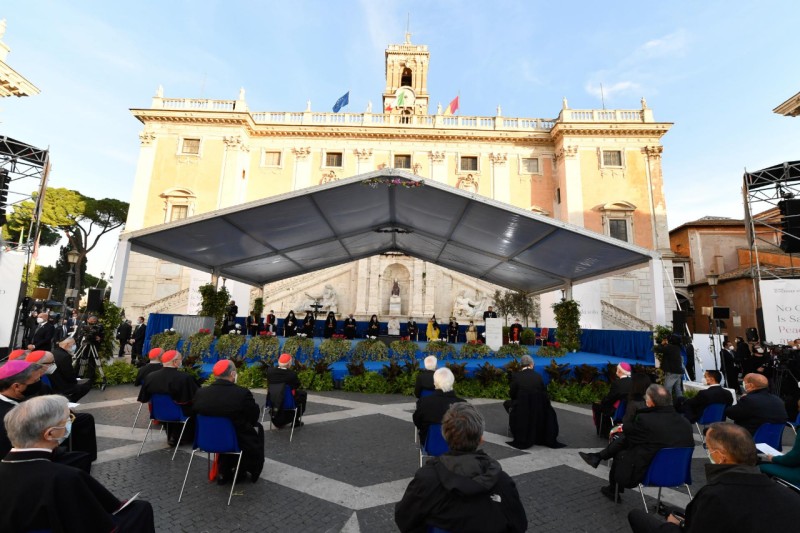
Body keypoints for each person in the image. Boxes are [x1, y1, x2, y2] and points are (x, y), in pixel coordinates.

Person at [0, 395, 156, 532]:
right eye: (68, 419)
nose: (70, 422)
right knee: (141, 508)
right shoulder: (65, 477)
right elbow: (94, 524)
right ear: (50, 433)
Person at [628, 422, 800, 532]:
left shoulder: (715, 495)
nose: (707, 451)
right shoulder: (790, 495)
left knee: (637, 516)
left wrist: (675, 525)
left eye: (707, 447)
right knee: (673, 511)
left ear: (720, 456)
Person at [396, 403, 527, 533]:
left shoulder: (426, 479)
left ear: (445, 436)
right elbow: (519, 525)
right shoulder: (503, 482)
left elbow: (404, 518)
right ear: (480, 439)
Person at [582, 384, 694, 501]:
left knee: (622, 448)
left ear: (650, 402)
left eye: (647, 398)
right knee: (627, 440)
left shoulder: (646, 420)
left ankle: (611, 487)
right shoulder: (685, 422)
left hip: (650, 473)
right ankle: (598, 457)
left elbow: (629, 438)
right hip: (678, 473)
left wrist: (625, 428)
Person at [0, 360, 94, 471]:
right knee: (78, 461)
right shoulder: (6, 413)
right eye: (35, 380)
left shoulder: (21, 395)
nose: (39, 383)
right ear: (16, 386)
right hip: (25, 463)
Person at [193, 360, 265, 484]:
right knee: (251, 433)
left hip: (206, 439)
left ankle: (224, 469)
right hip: (234, 440)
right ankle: (244, 469)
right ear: (232, 374)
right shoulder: (242, 393)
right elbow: (253, 417)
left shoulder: (201, 392)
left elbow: (195, 411)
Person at [137, 350, 199, 445]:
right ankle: (184, 437)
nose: (181, 361)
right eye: (180, 359)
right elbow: (195, 396)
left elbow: (144, 398)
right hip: (179, 414)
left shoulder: (150, 376)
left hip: (158, 413)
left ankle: (172, 436)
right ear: (175, 362)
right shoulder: (185, 378)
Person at [412, 367, 466, 444]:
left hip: (431, 445)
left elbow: (417, 422)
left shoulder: (423, 402)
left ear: (435, 383)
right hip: (456, 445)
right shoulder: (463, 405)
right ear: (452, 383)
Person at [266, 354, 307, 427]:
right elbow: (297, 385)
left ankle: (279, 419)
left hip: (272, 400)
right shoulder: (291, 374)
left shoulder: (270, 372)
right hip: (288, 401)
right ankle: (295, 420)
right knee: (302, 394)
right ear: (289, 364)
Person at [591, 362, 633, 434]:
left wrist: (602, 402)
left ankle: (601, 431)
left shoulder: (617, 383)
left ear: (619, 371)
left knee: (596, 406)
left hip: (618, 410)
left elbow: (610, 398)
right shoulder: (633, 382)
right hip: (630, 409)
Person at [655, 335, 684, 400]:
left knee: (667, 390)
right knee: (678, 389)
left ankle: (669, 404)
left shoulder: (669, 347)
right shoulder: (677, 347)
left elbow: (658, 349)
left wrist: (661, 344)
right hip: (678, 371)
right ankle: (682, 402)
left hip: (672, 372)